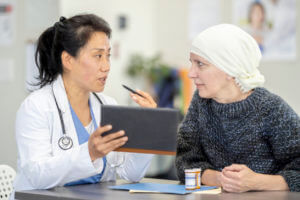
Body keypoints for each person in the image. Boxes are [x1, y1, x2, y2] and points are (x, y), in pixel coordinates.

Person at [14, 14, 156, 191]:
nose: (106, 66)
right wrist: (89, 153)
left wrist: (149, 126)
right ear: (68, 60)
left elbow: (130, 173)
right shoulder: (36, 107)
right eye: (98, 56)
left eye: (108, 56)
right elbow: (36, 176)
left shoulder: (107, 105)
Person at [175, 24, 300, 192]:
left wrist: (256, 182)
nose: (191, 73)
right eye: (192, 63)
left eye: (201, 64)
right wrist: (221, 179)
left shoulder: (271, 108)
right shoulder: (201, 102)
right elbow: (185, 162)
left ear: (229, 69)